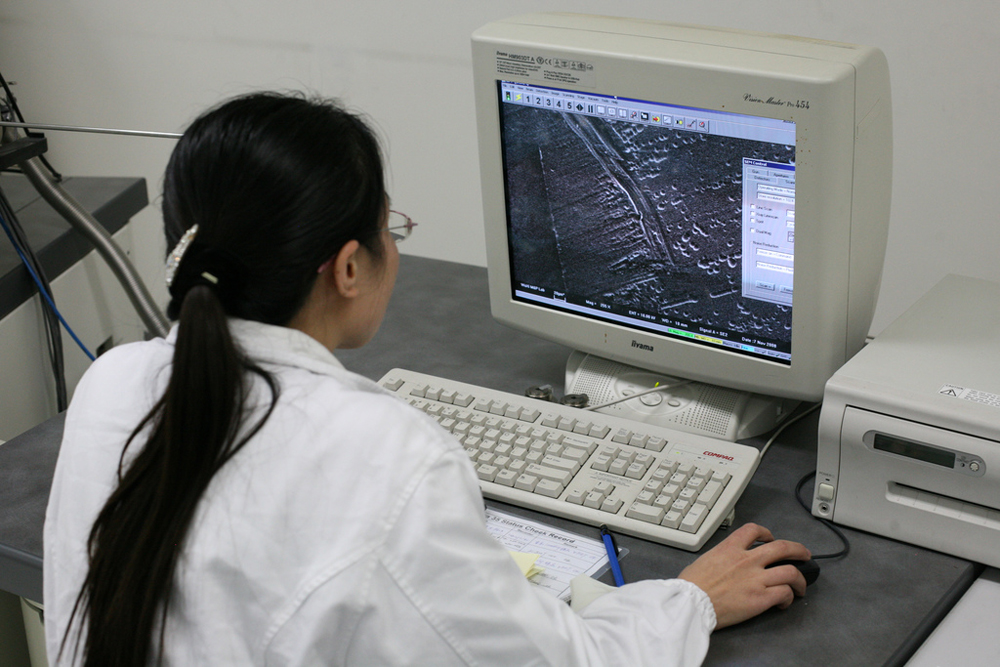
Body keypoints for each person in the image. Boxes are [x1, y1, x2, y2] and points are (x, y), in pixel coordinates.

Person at [43, 92, 811, 667]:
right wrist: (692, 599)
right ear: (348, 267)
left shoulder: (113, 385)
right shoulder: (386, 457)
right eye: (390, 228)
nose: (395, 247)